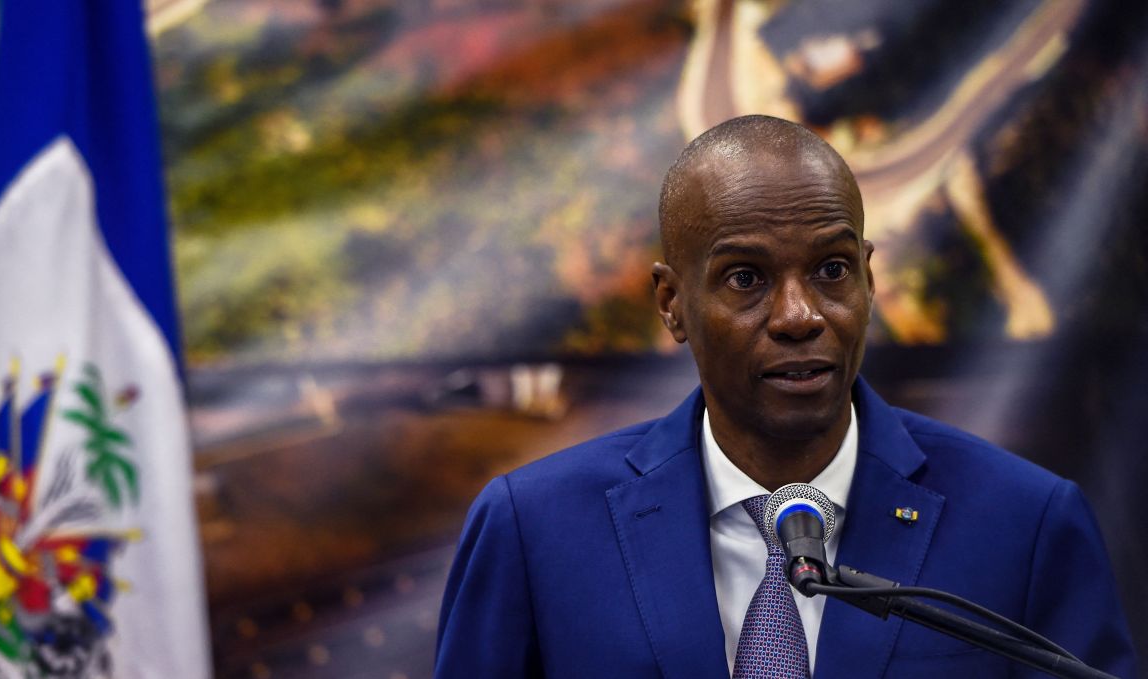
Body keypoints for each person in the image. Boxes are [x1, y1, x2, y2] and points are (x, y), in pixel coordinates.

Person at [434, 116, 1136, 678]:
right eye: (746, 278)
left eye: (831, 269)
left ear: (866, 281)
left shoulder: (1026, 523)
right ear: (673, 303)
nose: (800, 314)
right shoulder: (534, 529)